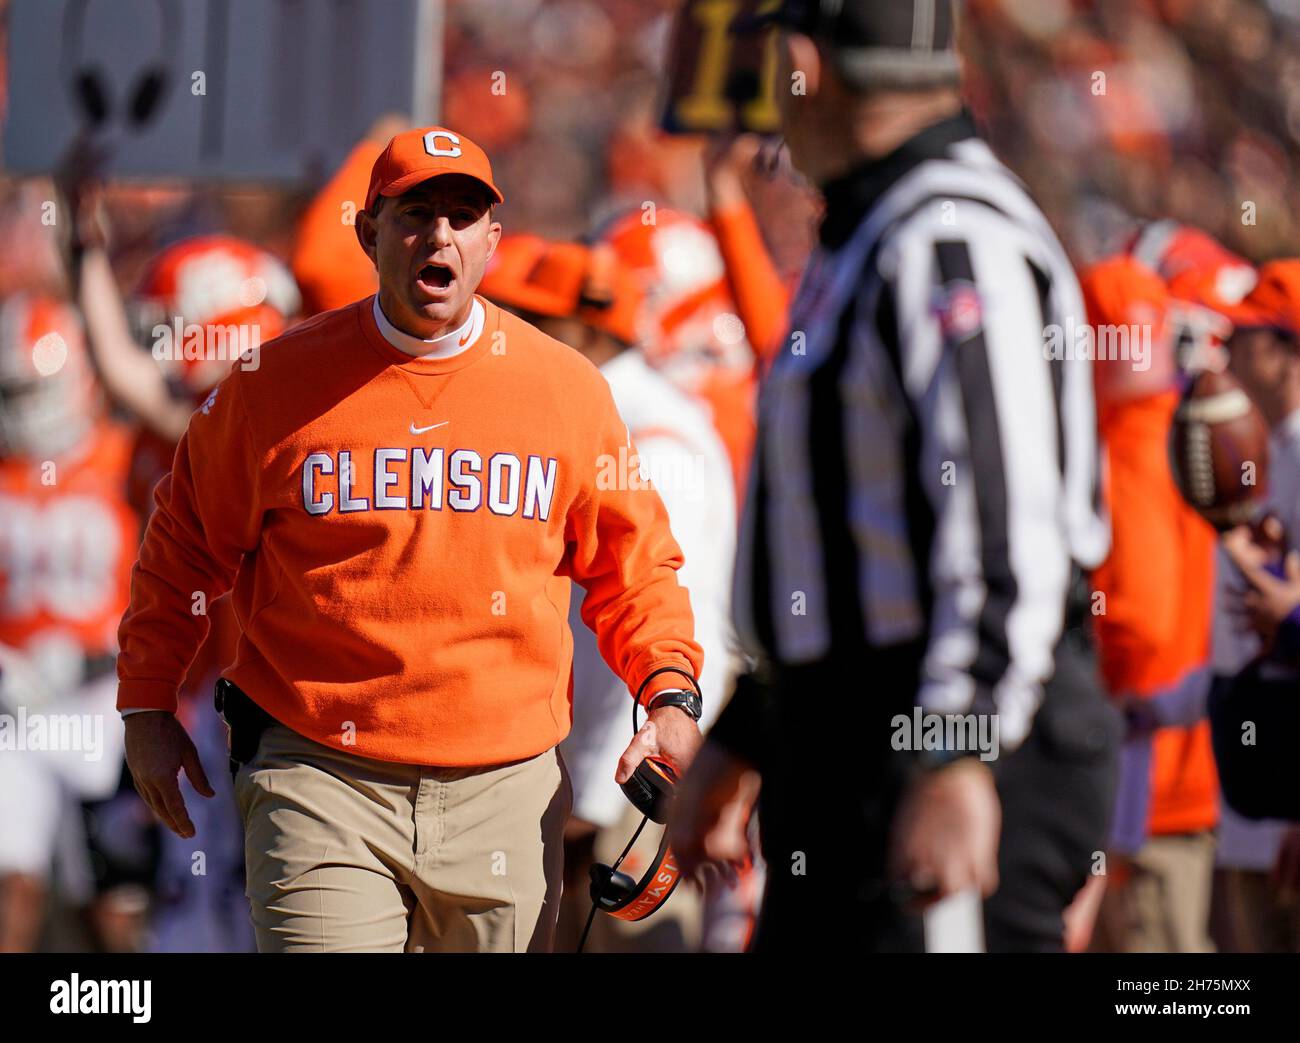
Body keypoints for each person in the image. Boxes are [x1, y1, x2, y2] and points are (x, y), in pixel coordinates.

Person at [116, 126, 706, 953]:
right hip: (320, 773)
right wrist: (147, 698)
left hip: (506, 783)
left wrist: (671, 691)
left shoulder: (566, 391)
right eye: (415, 214)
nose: (439, 236)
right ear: (369, 232)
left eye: (463, 216)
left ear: (491, 241)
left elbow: (636, 567)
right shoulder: (272, 385)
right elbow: (182, 543)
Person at [672, 0, 1116, 953]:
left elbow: (1006, 538)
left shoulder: (948, 235)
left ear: (805, 62)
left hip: (941, 747)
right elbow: (858, 546)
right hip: (856, 749)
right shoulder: (872, 232)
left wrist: (958, 756)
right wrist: (754, 729)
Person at [479, 234, 750, 950]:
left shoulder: (647, 431)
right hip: (614, 762)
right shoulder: (596, 411)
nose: (506, 332)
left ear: (587, 328)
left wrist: (597, 797)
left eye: (527, 317)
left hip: (646, 767)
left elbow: (679, 625)